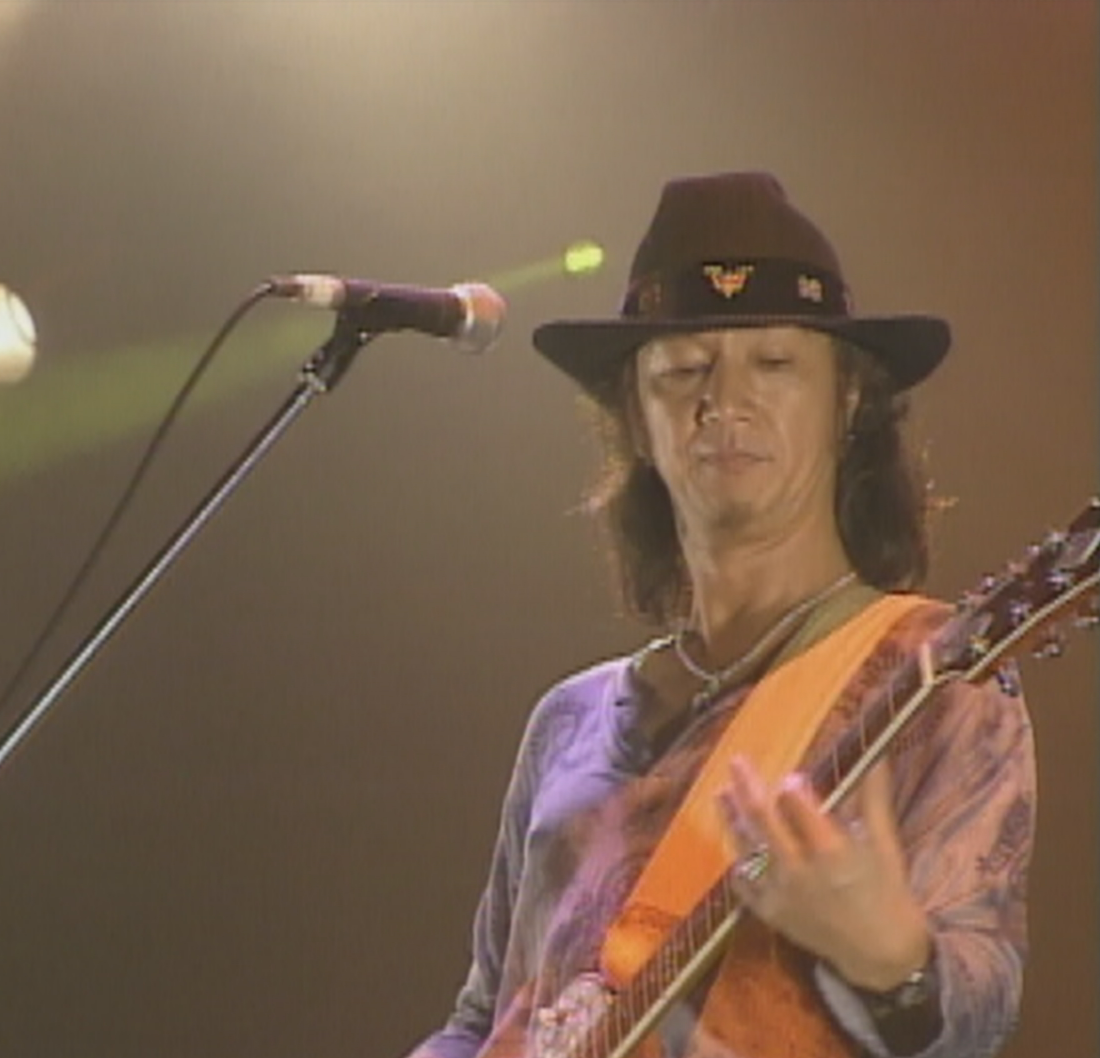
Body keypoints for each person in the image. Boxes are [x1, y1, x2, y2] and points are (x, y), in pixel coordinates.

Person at [404, 172, 1036, 1058]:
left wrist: (894, 962)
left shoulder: (934, 673)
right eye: (684, 370)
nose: (725, 402)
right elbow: (483, 1017)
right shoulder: (567, 720)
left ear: (849, 400)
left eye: (774, 364)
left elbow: (979, 1011)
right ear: (634, 417)